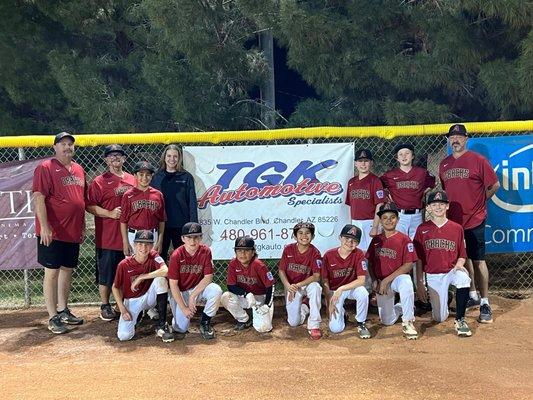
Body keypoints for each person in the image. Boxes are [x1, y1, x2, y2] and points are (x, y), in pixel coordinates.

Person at [439, 124, 500, 323]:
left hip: (474, 219)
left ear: (466, 138)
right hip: (453, 222)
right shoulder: (444, 164)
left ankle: (485, 302)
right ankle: (472, 294)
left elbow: (494, 185)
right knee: (462, 260)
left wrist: (481, 203)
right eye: (452, 137)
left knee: (478, 259)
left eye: (459, 136)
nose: (455, 140)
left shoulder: (478, 160)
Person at [33, 132, 86, 334]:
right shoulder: (45, 167)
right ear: (55, 147)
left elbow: (79, 201)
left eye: (70, 144)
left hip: (72, 230)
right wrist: (44, 226)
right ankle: (52, 315)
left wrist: (81, 226)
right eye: (63, 144)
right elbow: (39, 198)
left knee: (67, 270)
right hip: (53, 231)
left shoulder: (79, 169)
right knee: (52, 272)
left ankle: (63, 309)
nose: (67, 147)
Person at [413, 190, 472, 337]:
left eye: (441, 204)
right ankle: (447, 296)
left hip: (451, 270)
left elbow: (462, 255)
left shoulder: (457, 228)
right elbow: (418, 258)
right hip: (433, 274)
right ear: (428, 208)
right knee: (439, 318)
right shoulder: (422, 229)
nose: (438, 207)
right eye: (434, 204)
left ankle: (460, 319)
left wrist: (459, 264)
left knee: (464, 279)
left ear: (447, 207)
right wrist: (419, 281)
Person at [86, 145, 135, 321]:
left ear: (124, 159)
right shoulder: (99, 181)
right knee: (106, 274)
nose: (115, 158)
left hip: (130, 237)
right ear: (106, 160)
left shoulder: (133, 179)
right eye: (111, 155)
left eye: (119, 155)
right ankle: (105, 305)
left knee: (126, 273)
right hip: (107, 236)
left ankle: (121, 304)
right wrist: (109, 213)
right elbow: (90, 206)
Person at [120, 160, 166, 320]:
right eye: (141, 174)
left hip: (151, 236)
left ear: (152, 176)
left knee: (150, 270)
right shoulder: (128, 195)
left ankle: (150, 307)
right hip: (134, 235)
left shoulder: (157, 195)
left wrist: (160, 240)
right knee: (132, 271)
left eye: (148, 175)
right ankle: (132, 304)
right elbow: (123, 221)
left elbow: (161, 220)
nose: (144, 177)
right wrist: (125, 241)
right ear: (135, 176)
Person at [366, 202, 418, 339]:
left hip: (396, 279)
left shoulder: (404, 239)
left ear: (398, 219)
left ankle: (408, 321)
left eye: (392, 217)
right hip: (381, 282)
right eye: (385, 218)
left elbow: (408, 264)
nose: (389, 220)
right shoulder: (376, 240)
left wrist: (386, 280)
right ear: (381, 221)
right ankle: (401, 307)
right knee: (387, 321)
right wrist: (374, 280)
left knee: (406, 282)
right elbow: (370, 262)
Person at [112, 230, 174, 342]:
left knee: (161, 280)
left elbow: (166, 271)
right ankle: (138, 315)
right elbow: (115, 287)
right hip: (132, 300)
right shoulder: (124, 264)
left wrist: (141, 277)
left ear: (152, 246)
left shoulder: (153, 255)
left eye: (147, 244)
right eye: (140, 244)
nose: (144, 248)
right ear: (134, 245)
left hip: (149, 297)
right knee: (124, 336)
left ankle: (161, 325)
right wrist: (122, 309)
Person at [168, 222, 222, 340]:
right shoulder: (176, 255)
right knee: (181, 329)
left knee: (216, 290)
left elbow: (208, 277)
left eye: (196, 237)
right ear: (183, 238)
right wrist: (183, 308)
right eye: (189, 237)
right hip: (181, 292)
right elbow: (173, 284)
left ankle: (205, 323)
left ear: (201, 237)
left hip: (198, 289)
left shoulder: (206, 251)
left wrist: (193, 296)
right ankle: (175, 318)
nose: (193, 241)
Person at [322, 224, 371, 339]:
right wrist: (329, 299)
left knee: (363, 292)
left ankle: (361, 323)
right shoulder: (329, 255)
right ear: (340, 238)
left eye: (354, 240)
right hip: (334, 292)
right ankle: (342, 313)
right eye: (347, 238)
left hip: (350, 288)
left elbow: (361, 280)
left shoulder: (358, 254)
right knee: (335, 329)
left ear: (358, 243)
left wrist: (342, 288)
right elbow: (324, 279)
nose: (350, 242)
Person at [151, 144, 198, 261]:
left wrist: (193, 225)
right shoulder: (156, 177)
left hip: (181, 225)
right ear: (164, 157)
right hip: (162, 226)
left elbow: (192, 203)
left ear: (179, 158)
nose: (172, 159)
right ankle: (161, 279)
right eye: (169, 156)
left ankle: (183, 279)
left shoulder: (186, 177)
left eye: (175, 156)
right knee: (159, 257)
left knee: (183, 258)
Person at [220, 237, 276, 333]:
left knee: (263, 328)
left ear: (253, 252)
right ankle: (244, 319)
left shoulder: (259, 265)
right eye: (239, 251)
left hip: (260, 298)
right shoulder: (233, 264)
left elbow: (271, 286)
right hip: (246, 297)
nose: (242, 254)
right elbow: (231, 286)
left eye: (246, 251)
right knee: (226, 297)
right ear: (235, 252)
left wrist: (267, 304)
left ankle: (256, 313)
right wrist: (246, 294)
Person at [381, 143, 435, 239]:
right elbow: (379, 185)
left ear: (413, 156)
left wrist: (423, 192)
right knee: (399, 243)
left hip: (417, 215)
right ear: (397, 158)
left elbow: (431, 182)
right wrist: (387, 196)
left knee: (416, 244)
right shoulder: (390, 175)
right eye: (400, 154)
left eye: (407, 153)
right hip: (399, 215)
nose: (404, 156)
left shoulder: (421, 172)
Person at [278, 222, 323, 340]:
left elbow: (316, 276)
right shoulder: (288, 249)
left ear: (312, 236)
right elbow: (281, 271)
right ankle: (304, 307)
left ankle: (314, 325)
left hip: (306, 284)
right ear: (294, 236)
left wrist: (298, 285)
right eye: (300, 233)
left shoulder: (315, 252)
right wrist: (288, 286)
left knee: (316, 287)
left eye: (308, 233)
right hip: (292, 287)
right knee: (294, 322)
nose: (304, 235)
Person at [345, 149, 386, 252]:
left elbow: (380, 204)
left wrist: (375, 226)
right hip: (355, 222)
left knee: (373, 253)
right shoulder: (351, 182)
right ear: (355, 163)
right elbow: (350, 206)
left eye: (366, 161)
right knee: (357, 252)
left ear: (371, 163)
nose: (363, 164)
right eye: (360, 161)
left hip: (370, 222)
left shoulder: (375, 181)